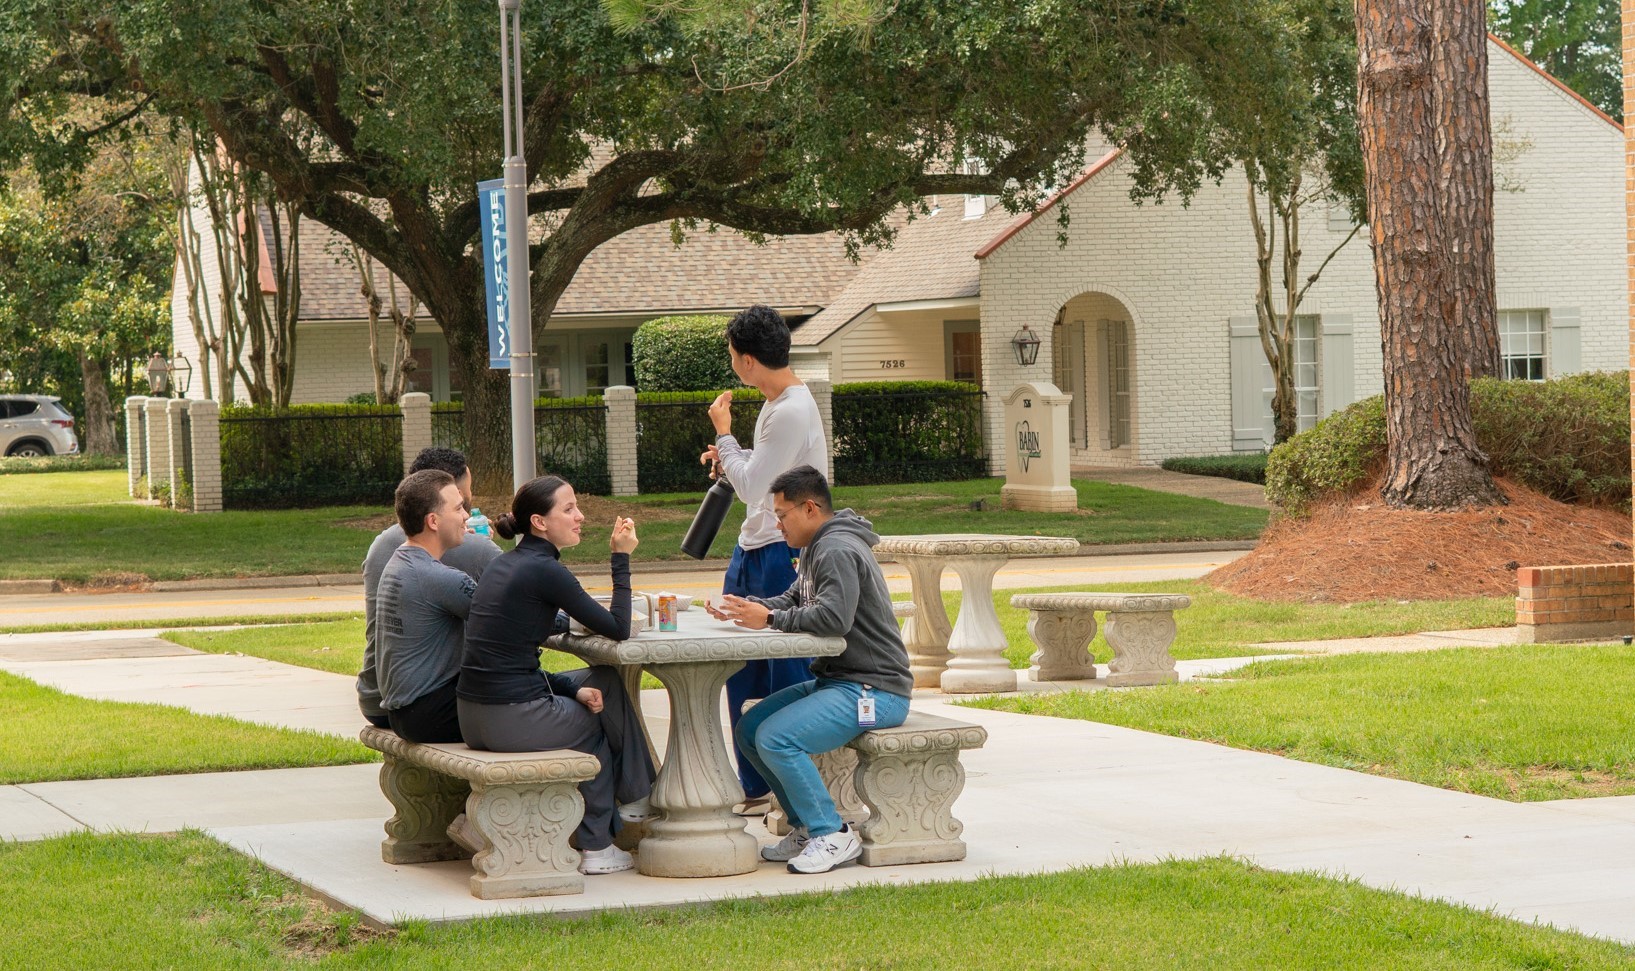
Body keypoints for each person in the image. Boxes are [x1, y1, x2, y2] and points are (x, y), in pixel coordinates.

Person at [709, 465, 912, 875]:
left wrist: (767, 620)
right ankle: (807, 827)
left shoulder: (836, 549)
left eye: (782, 515)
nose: (777, 524)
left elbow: (833, 618)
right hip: (838, 680)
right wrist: (749, 608)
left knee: (776, 737)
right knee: (752, 728)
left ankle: (832, 833)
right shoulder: (819, 546)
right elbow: (794, 598)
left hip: (876, 690)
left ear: (810, 508)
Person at [457, 474, 657, 875]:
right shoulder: (546, 571)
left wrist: (571, 688)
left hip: (474, 714)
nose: (580, 516)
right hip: (508, 717)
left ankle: (637, 798)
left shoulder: (506, 565)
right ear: (540, 522)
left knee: (603, 683)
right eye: (569, 509)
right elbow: (618, 628)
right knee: (594, 727)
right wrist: (620, 557)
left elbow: (511, 657)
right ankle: (599, 845)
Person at [697, 304, 829, 814]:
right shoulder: (781, 406)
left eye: (733, 356)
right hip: (755, 547)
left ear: (747, 361)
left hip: (780, 550)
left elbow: (756, 488)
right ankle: (754, 787)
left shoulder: (791, 409)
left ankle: (786, 788)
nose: (733, 365)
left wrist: (725, 434)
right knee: (743, 669)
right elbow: (765, 472)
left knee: (783, 670)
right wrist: (728, 455)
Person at [357, 447, 501, 728]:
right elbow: (510, 604)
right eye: (462, 503)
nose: (467, 511)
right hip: (426, 701)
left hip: (375, 696)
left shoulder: (382, 546)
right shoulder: (471, 548)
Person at [375, 469, 475, 743]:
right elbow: (508, 620)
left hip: (404, 714)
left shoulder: (398, 563)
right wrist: (573, 623)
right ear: (433, 521)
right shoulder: (439, 577)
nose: (466, 515)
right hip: (432, 714)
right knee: (555, 709)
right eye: (458, 508)